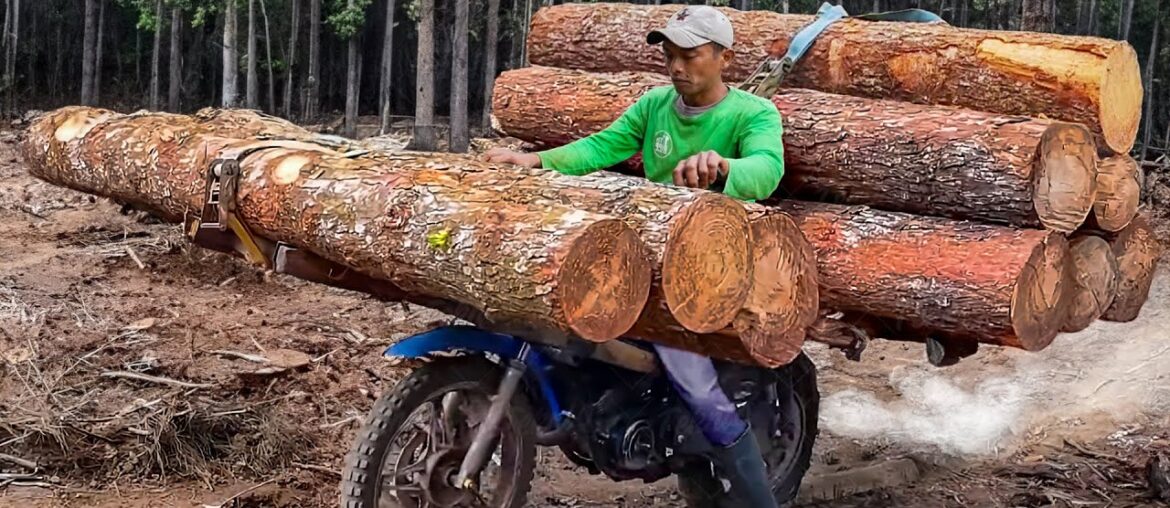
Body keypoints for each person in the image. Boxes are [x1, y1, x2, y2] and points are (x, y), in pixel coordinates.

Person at [485, 5, 783, 507]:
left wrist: (724, 166)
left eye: (689, 55)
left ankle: (758, 499)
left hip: (706, 274)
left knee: (701, 390)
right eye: (670, 56)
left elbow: (766, 169)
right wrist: (534, 160)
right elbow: (600, 148)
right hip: (646, 253)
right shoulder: (654, 106)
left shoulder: (753, 113)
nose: (677, 67)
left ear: (723, 57)